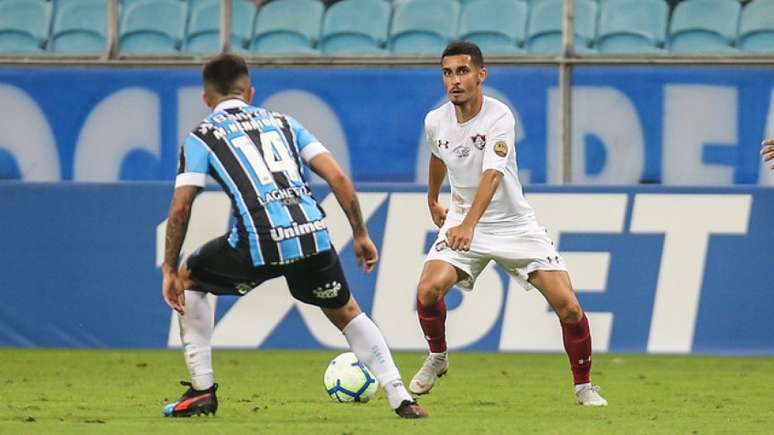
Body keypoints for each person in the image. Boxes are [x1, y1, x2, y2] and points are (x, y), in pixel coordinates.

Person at [160, 53, 427, 419]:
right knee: (348, 312)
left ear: (206, 99)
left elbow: (180, 208)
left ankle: (202, 391)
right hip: (311, 234)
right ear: (249, 92)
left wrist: (169, 268)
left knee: (189, 279)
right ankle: (401, 397)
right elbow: (338, 179)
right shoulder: (283, 122)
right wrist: (360, 234)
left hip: (258, 243)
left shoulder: (201, 137)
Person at [408, 41, 607, 407]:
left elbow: (492, 175)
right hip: (463, 220)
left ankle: (584, 386)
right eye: (447, 72)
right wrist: (432, 198)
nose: (454, 80)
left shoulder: (499, 116)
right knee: (427, 290)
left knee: (569, 307)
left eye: (463, 71)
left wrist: (468, 223)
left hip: (513, 225)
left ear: (481, 75)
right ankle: (437, 356)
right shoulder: (435, 120)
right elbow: (438, 154)